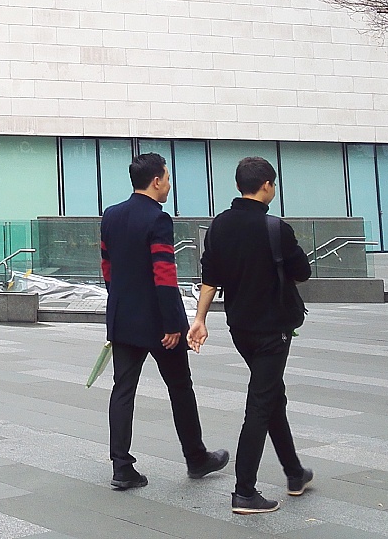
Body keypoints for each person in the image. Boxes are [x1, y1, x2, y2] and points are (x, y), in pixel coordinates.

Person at [188, 156, 314, 515]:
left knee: (272, 395)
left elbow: (209, 280)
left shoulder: (218, 226)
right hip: (274, 330)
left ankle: (294, 473)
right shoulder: (276, 228)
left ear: (238, 185)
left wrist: (200, 319)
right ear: (267, 186)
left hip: (241, 328)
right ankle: (244, 491)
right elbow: (302, 272)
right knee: (260, 403)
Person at [101, 152, 229, 490]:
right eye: (168, 179)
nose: (169, 185)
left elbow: (107, 269)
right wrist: (173, 324)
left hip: (123, 319)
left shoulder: (111, 215)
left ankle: (121, 467)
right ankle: (196, 457)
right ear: (156, 181)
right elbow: (164, 274)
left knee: (123, 389)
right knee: (180, 386)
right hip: (159, 324)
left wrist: (120, 305)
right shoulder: (158, 219)